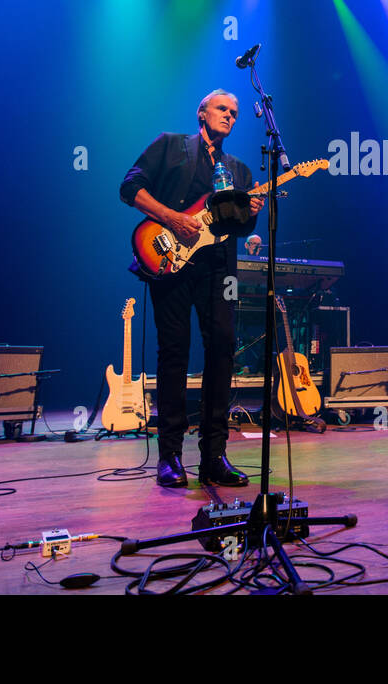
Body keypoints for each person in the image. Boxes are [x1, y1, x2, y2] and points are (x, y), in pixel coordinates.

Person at [120, 90, 265, 488]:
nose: (230, 117)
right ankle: (169, 456)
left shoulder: (239, 170)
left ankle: (214, 456)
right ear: (202, 113)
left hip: (219, 270)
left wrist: (250, 214)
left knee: (222, 350)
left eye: (235, 113)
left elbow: (238, 228)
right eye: (223, 109)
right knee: (174, 354)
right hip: (169, 262)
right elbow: (130, 187)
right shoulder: (169, 146)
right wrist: (171, 218)